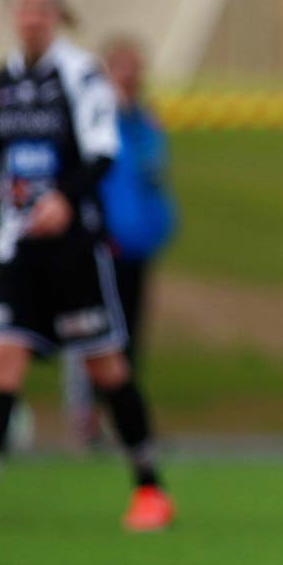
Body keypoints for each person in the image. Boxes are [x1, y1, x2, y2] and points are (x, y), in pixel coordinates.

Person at [0, 0, 175, 531]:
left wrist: (66, 201)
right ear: (11, 13)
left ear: (56, 14)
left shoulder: (81, 76)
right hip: (17, 249)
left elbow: (102, 154)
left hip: (74, 250)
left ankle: (150, 488)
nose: (32, 15)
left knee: (106, 367)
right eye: (23, 5)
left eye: (42, 5)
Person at [62, 34, 177, 444]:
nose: (128, 75)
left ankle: (118, 416)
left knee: (130, 334)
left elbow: (154, 179)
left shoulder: (146, 122)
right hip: (101, 245)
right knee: (95, 333)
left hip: (138, 245)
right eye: (120, 66)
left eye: (134, 66)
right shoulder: (93, 120)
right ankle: (85, 413)